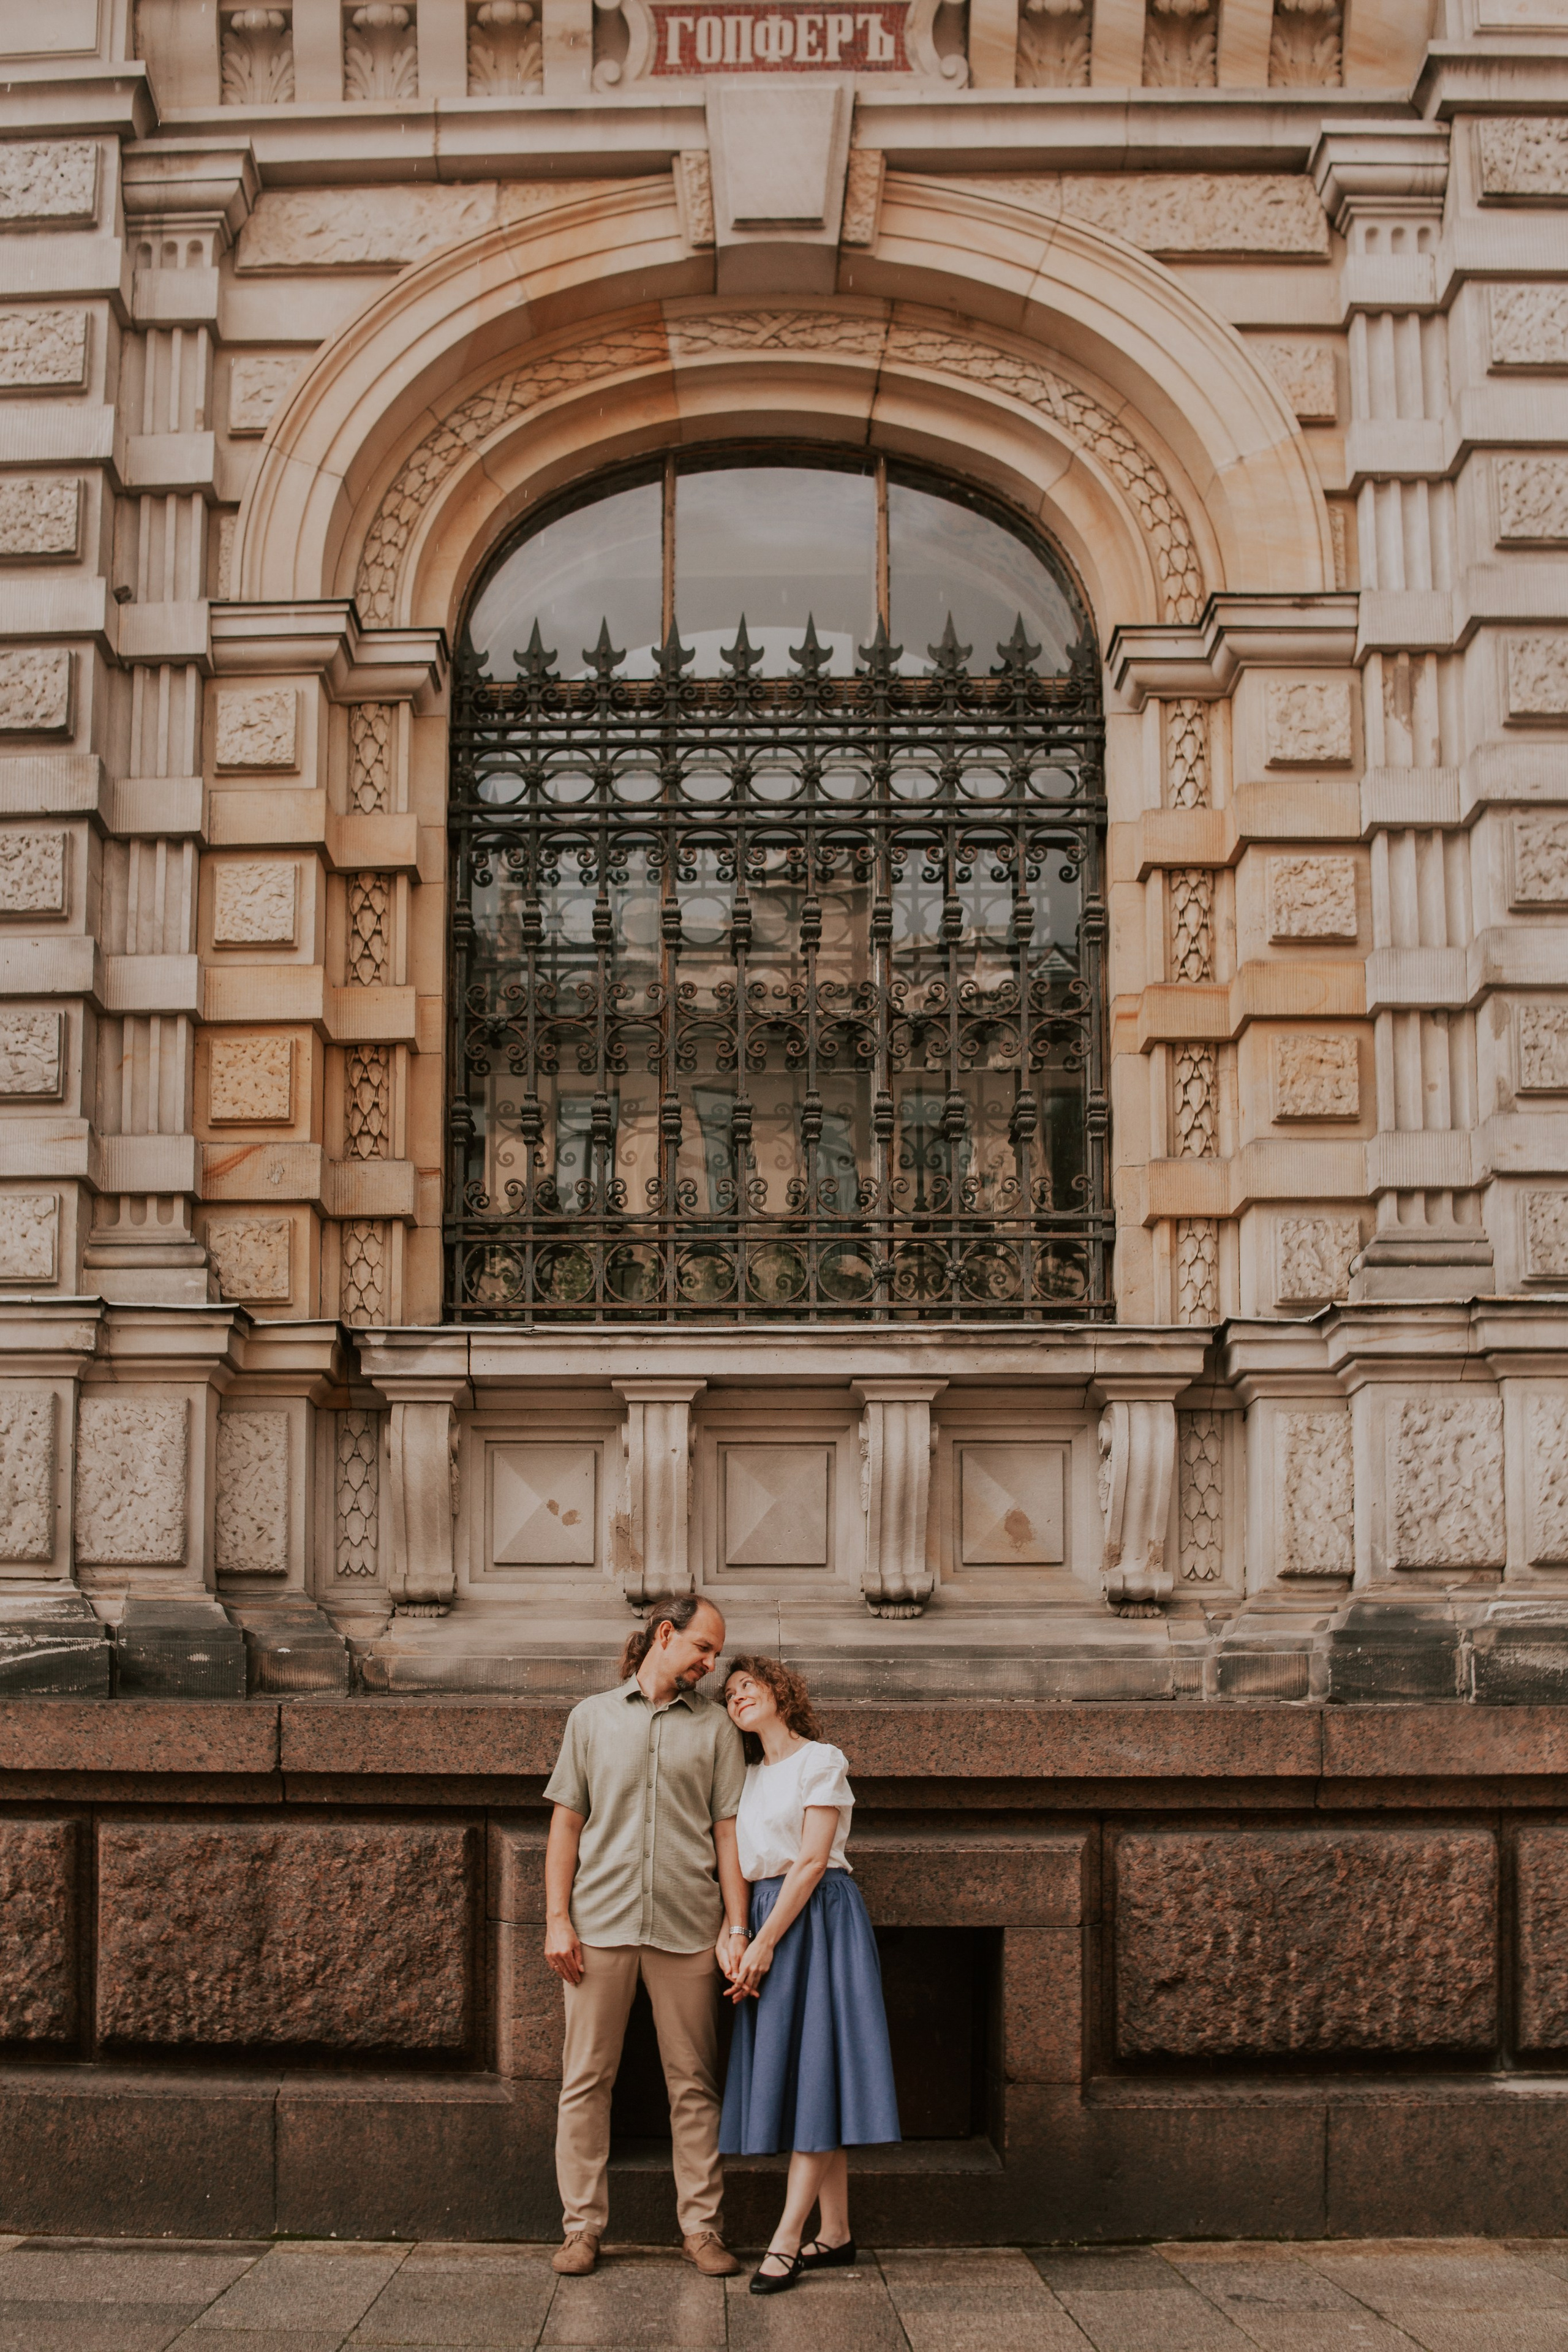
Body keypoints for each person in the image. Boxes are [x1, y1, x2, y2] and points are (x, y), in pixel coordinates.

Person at [541, 1593, 750, 2279]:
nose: (712, 1663)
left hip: (688, 1930)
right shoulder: (591, 1719)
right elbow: (566, 1826)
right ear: (666, 1634)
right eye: (703, 1648)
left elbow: (728, 1834)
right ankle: (581, 2230)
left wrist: (736, 1924)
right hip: (597, 1929)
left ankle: (702, 2229)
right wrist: (556, 1919)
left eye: (716, 1654)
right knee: (584, 2083)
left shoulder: (718, 1729)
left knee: (693, 2084)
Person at [718, 1654, 900, 2296]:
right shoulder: (741, 1776)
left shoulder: (820, 1760)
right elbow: (736, 1864)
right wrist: (732, 1932)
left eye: (750, 1686)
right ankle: (837, 2230)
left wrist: (764, 1941)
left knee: (818, 2070)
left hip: (817, 1916)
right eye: (731, 1692)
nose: (739, 1696)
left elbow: (813, 1859)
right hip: (766, 1915)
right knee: (807, 2073)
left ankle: (787, 2239)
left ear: (780, 1694)